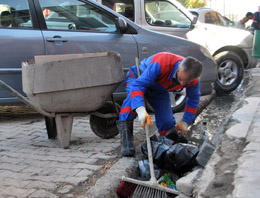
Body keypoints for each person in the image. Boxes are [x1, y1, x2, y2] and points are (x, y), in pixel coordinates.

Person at [116, 52, 203, 156]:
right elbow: (138, 85)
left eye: (187, 82)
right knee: (131, 104)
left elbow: (193, 99)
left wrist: (186, 122)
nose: (182, 84)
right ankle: (126, 141)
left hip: (159, 88)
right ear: (179, 68)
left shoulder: (192, 80)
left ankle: (165, 144)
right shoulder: (162, 62)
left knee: (167, 121)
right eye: (180, 79)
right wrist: (140, 109)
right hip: (138, 78)